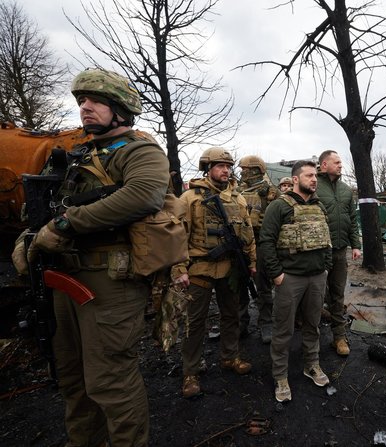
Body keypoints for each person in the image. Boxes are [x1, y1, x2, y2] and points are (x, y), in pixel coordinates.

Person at [13, 68, 170, 446]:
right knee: (71, 377)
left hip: (109, 283)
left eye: (96, 101)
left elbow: (143, 196)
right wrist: (28, 237)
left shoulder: (140, 150)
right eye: (81, 101)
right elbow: (43, 208)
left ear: (120, 108)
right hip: (62, 279)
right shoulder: (76, 156)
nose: (86, 107)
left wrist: (64, 226)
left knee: (110, 380)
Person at [173, 147, 256, 398]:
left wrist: (252, 261)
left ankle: (230, 357)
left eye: (228, 166)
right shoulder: (189, 198)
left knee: (231, 315)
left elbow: (248, 233)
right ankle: (191, 371)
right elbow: (176, 235)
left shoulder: (238, 199)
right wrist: (179, 269)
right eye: (220, 166)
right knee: (194, 322)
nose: (226, 170)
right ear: (207, 168)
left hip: (230, 268)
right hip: (198, 267)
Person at [259, 160, 333, 403]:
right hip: (290, 278)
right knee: (284, 329)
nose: (314, 179)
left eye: (316, 176)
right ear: (295, 179)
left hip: (316, 277)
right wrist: (277, 274)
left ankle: (311, 364)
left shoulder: (319, 205)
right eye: (310, 175)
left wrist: (326, 267)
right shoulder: (278, 206)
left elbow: (326, 238)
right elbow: (266, 242)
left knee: (313, 325)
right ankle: (280, 375)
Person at [316, 150, 362, 356]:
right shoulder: (314, 187)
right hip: (317, 252)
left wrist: (356, 245)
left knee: (337, 294)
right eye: (336, 162)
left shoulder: (345, 190)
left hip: (339, 251)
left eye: (341, 162)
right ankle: (310, 338)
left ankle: (339, 338)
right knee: (314, 294)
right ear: (324, 164)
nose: (341, 165)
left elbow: (353, 220)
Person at [237, 155, 279, 343]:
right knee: (238, 285)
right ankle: (240, 322)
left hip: (261, 244)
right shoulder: (236, 191)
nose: (241, 172)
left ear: (254, 170)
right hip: (240, 244)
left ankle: (266, 322)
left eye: (244, 168)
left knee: (262, 285)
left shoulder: (270, 192)